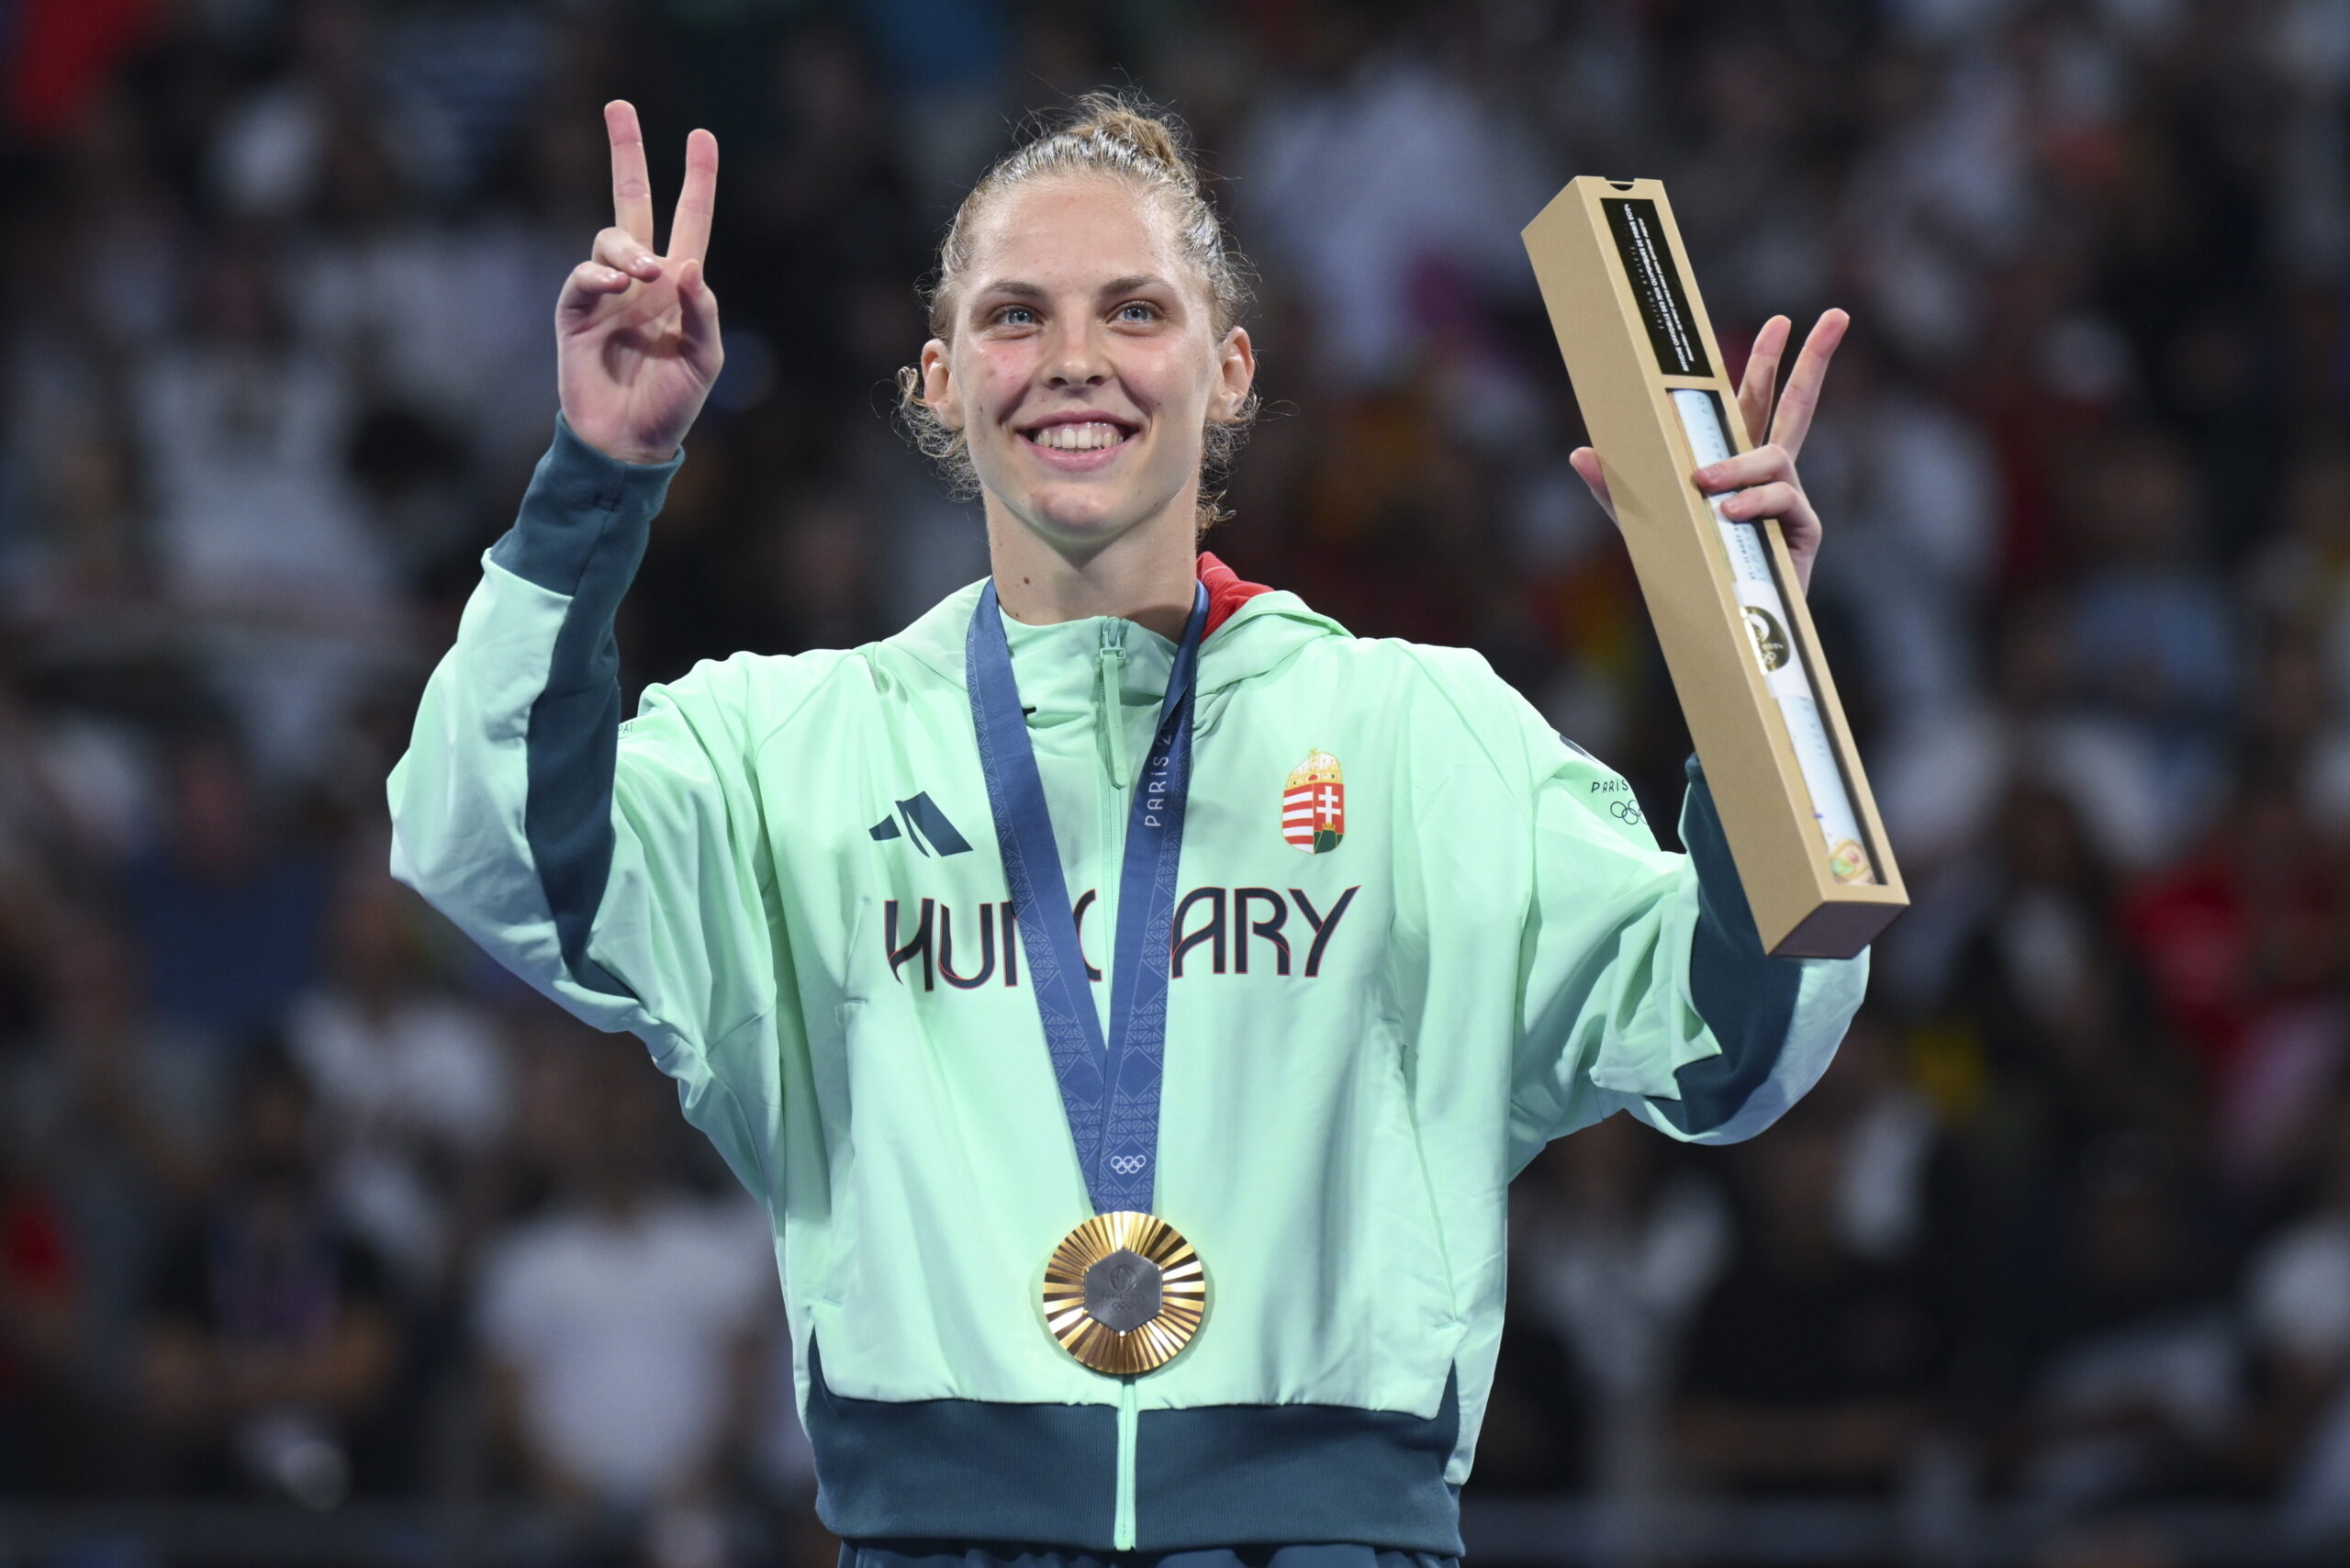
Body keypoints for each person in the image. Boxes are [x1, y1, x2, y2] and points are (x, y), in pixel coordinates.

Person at [387, 90, 1870, 1563]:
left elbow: (1736, 1039)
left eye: (1135, 311)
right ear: (940, 378)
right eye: (1016, 316)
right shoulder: (793, 750)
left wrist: (1757, 659)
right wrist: (599, 482)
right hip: (937, 1538)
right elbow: (492, 845)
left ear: (1229, 371)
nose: (1075, 361)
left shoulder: (1422, 740)